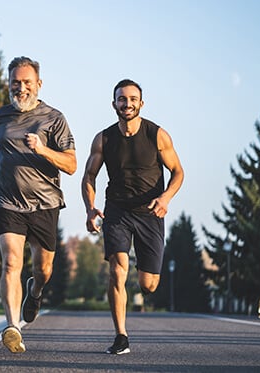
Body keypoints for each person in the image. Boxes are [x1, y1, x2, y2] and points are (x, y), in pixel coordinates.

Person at [0, 56, 77, 353]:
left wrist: (43, 149)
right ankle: (12, 326)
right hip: (8, 202)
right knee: (10, 262)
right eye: (15, 83)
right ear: (8, 84)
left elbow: (71, 165)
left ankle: (35, 291)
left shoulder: (54, 118)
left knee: (43, 269)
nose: (21, 88)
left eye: (27, 83)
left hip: (45, 204)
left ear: (39, 84)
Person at [81, 79, 184, 355]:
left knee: (148, 284)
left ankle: (143, 271)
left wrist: (165, 198)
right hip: (117, 210)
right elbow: (89, 176)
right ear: (114, 103)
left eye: (132, 99)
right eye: (122, 99)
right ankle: (121, 336)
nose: (127, 103)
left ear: (141, 102)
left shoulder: (157, 135)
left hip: (150, 212)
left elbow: (178, 172)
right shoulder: (104, 138)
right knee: (117, 269)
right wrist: (91, 209)